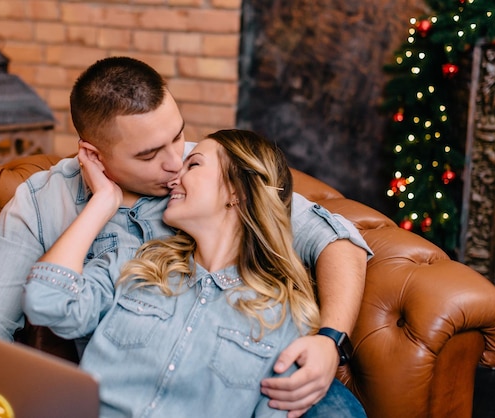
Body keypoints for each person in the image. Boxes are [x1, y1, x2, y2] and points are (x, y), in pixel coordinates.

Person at [0, 56, 371, 417]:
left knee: (326, 405)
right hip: (114, 390)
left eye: (179, 137)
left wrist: (329, 341)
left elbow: (336, 240)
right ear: (94, 154)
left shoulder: (216, 177)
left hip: (222, 387)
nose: (175, 165)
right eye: (149, 154)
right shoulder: (45, 202)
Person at [22, 129, 366, 417]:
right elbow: (46, 301)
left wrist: (330, 342)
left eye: (194, 164)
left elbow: (340, 238)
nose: (175, 177)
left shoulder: (285, 318)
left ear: (237, 191)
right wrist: (102, 201)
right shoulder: (134, 264)